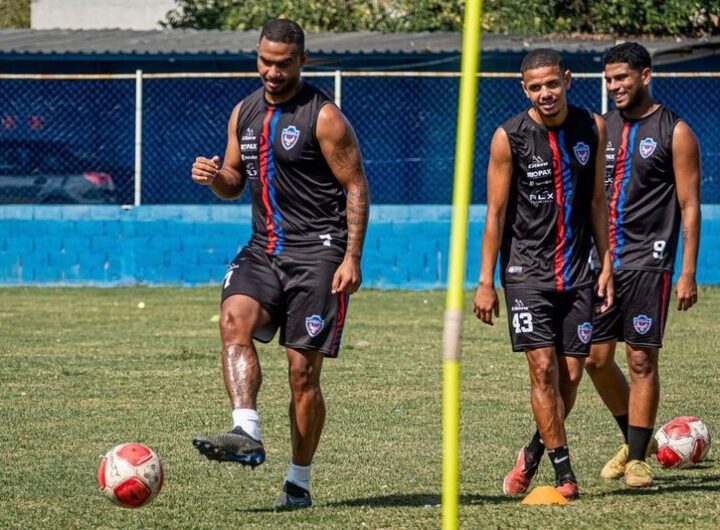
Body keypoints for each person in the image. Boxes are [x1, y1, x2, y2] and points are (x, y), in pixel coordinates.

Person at [189, 18, 370, 510]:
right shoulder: (243, 112)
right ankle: (245, 430)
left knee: (302, 374)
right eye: (265, 61)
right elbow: (233, 180)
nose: (272, 71)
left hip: (319, 254)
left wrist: (352, 257)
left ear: (301, 61)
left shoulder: (324, 116)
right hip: (263, 248)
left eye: (283, 63)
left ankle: (299, 481)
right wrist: (214, 178)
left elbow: (355, 185)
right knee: (233, 320)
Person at [473, 49, 614, 500]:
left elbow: (596, 202)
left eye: (552, 83)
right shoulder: (508, 137)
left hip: (577, 272)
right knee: (542, 369)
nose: (545, 93)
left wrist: (606, 262)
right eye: (535, 87)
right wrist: (485, 282)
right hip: (525, 273)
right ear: (524, 89)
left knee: (570, 377)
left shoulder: (593, 127)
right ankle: (565, 475)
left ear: (567, 80)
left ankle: (533, 452)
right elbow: (494, 214)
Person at [584, 42, 701, 488]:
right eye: (609, 79)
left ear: (645, 76)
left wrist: (688, 271)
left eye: (621, 78)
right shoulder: (600, 128)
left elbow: (690, 206)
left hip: (650, 263)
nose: (613, 87)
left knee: (640, 359)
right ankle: (639, 438)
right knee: (595, 359)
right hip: (603, 263)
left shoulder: (676, 131)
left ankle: (636, 460)